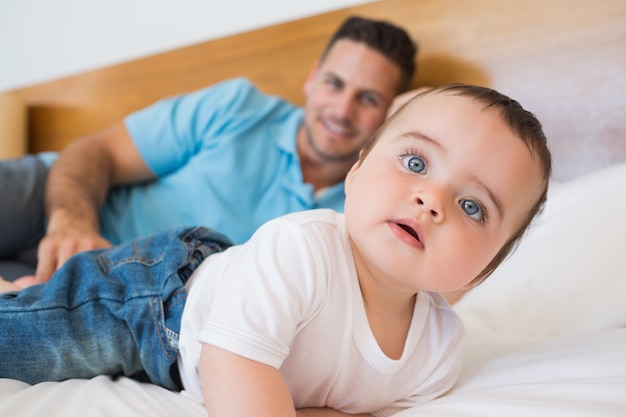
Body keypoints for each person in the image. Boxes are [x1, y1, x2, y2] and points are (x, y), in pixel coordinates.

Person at [0, 84, 552, 416]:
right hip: (159, 301)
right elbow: (233, 363)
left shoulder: (436, 352)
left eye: (473, 207)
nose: (431, 198)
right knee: (28, 341)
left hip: (198, 328)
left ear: (484, 271)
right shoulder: (303, 248)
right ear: (356, 173)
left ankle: (32, 290)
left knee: (43, 305)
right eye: (415, 162)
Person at [0, 15, 418, 284]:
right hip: (56, 198)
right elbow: (94, 152)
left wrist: (412, 122)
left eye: (368, 99)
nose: (341, 110)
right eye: (334, 83)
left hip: (104, 289)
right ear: (312, 78)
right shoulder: (237, 106)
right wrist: (70, 220)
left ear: (389, 113)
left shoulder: (362, 214)